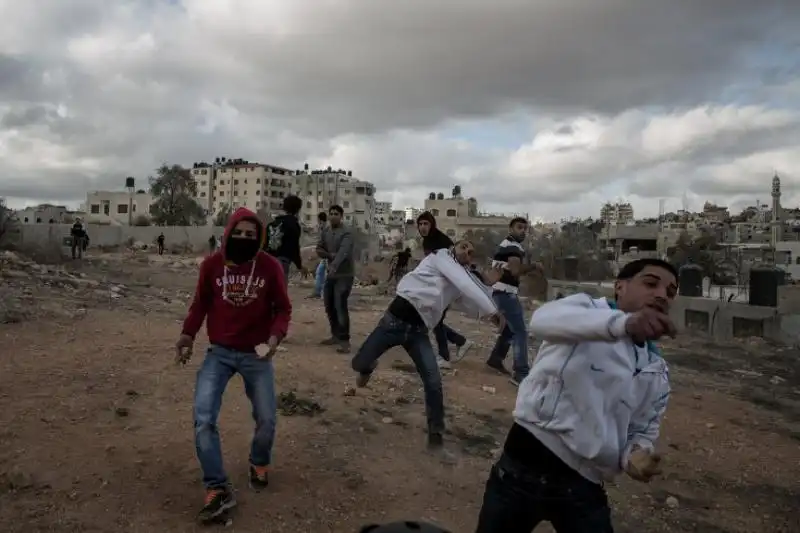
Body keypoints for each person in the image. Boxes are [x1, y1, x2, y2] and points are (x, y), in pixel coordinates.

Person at [474, 258, 678, 533]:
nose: (661, 295)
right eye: (651, 283)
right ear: (620, 287)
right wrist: (625, 325)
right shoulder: (586, 309)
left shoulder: (657, 369)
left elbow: (643, 429)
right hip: (521, 471)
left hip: (584, 487)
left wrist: (637, 454)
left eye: (670, 291)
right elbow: (542, 321)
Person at [175, 207, 292, 524]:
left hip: (256, 354)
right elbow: (200, 303)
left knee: (267, 419)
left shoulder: (268, 267)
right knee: (203, 418)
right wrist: (187, 335)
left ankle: (259, 460)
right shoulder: (213, 265)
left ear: (260, 238)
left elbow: (283, 308)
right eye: (238, 233)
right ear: (228, 232)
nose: (243, 238)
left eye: (251, 235)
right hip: (220, 352)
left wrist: (274, 338)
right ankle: (216, 488)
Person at [351, 240, 504, 455]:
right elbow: (467, 285)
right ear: (453, 248)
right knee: (358, 363)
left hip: (418, 332)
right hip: (394, 322)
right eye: (463, 246)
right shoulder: (440, 257)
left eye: (471, 251)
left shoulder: (459, 278)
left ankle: (436, 439)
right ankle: (367, 367)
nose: (467, 251)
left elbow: (471, 305)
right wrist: (493, 311)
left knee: (433, 382)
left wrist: (489, 286)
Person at [415, 212, 470, 367]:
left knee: (435, 320)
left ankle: (445, 356)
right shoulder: (429, 240)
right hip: (439, 286)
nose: (423, 227)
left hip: (447, 285)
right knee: (434, 320)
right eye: (420, 224)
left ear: (432, 225)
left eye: (426, 224)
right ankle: (460, 342)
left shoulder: (439, 241)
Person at [485, 217, 535, 386]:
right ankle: (520, 373)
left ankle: (496, 359)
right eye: (519, 227)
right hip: (505, 293)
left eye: (524, 228)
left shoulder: (509, 245)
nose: (523, 231)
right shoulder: (513, 246)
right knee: (520, 332)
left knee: (508, 329)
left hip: (501, 292)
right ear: (511, 229)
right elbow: (515, 271)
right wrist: (534, 267)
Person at [316, 205, 355, 353]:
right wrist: (330, 256)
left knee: (340, 305)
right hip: (331, 274)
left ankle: (345, 341)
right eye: (331, 213)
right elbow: (319, 248)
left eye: (336, 214)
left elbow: (343, 253)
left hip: (344, 275)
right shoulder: (326, 231)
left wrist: (333, 261)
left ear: (341, 216)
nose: (333, 216)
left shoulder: (347, 233)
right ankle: (335, 335)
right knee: (329, 304)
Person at [265, 195, 305, 286]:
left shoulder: (272, 224)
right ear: (298, 209)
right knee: (280, 291)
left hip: (268, 261)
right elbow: (294, 247)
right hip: (282, 262)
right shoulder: (294, 225)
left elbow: (264, 244)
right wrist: (299, 265)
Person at [309, 212, 329, 299]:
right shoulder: (323, 227)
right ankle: (318, 292)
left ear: (320, 219)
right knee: (320, 272)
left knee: (324, 273)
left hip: (327, 255)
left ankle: (324, 294)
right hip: (325, 255)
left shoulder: (326, 228)